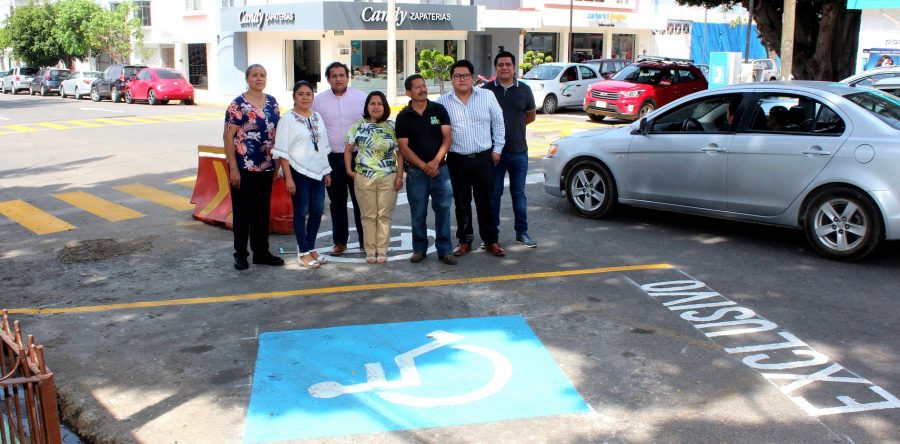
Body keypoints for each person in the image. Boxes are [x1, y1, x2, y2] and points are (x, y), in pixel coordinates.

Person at [436, 60, 507, 258]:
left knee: (486, 201)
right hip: (457, 160)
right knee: (461, 202)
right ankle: (465, 241)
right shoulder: (443, 102)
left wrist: (498, 149)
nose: (462, 79)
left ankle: (491, 240)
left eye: (465, 75)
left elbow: (499, 123)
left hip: (484, 158)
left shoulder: (487, 96)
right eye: (457, 76)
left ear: (473, 78)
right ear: (451, 79)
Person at [223, 64, 284, 271]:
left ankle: (261, 252)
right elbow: (228, 137)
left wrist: (276, 166)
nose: (259, 78)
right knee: (243, 214)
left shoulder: (272, 103)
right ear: (247, 79)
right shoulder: (238, 104)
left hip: (266, 167)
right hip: (243, 168)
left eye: (262, 75)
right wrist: (233, 168)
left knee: (261, 212)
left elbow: (278, 134)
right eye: (255, 75)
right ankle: (240, 254)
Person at [396, 74, 456, 265]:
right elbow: (404, 148)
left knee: (443, 210)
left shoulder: (438, 109)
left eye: (424, 85)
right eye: (417, 87)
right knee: (418, 212)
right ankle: (419, 249)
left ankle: (445, 250)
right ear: (408, 92)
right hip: (415, 173)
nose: (423, 89)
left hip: (441, 170)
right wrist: (424, 166)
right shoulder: (403, 116)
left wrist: (435, 162)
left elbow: (447, 138)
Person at [273, 81, 332, 269]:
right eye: (301, 94)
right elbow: (282, 151)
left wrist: (327, 171)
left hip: (319, 172)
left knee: (317, 211)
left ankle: (312, 248)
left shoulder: (317, 117)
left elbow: (323, 146)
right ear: (294, 97)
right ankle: (303, 252)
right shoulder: (287, 120)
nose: (305, 97)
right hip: (299, 173)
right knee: (301, 212)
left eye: (308, 94)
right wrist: (288, 177)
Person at [482, 51, 538, 249]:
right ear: (495, 67)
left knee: (519, 194)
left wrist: (515, 126)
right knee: (493, 194)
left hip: (518, 151)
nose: (504, 67)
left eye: (508, 64)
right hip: (494, 153)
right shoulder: (486, 90)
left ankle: (522, 232)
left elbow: (530, 116)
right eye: (500, 64)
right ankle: (492, 236)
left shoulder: (524, 89)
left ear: (514, 67)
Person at [314, 62, 368, 256]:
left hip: (358, 158)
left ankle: (365, 241)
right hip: (332, 159)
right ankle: (340, 242)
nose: (338, 79)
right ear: (328, 79)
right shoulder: (318, 101)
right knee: (337, 202)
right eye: (334, 76)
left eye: (342, 75)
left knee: (361, 201)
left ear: (348, 77)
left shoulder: (361, 98)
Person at [344, 91, 403, 264]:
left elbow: (400, 153)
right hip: (364, 177)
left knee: (384, 215)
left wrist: (399, 176)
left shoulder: (391, 126)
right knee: (368, 216)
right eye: (372, 103)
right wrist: (350, 171)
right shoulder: (358, 126)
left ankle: (382, 250)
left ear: (384, 106)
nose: (376, 107)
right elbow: (348, 149)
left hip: (388, 177)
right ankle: (370, 250)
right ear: (367, 106)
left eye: (379, 103)